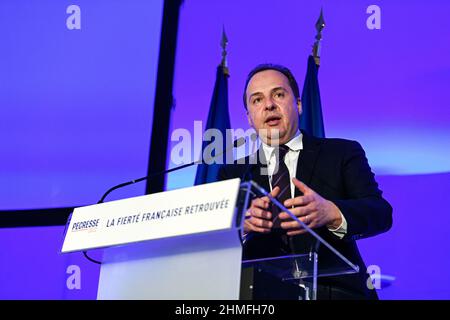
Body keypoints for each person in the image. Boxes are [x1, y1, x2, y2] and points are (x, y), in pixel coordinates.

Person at [217, 64, 393, 300]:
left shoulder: (341, 152)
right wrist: (242, 224)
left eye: (278, 94)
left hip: (335, 292)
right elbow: (214, 242)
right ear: (249, 117)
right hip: (260, 295)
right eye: (257, 100)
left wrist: (332, 213)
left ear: (298, 105)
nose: (269, 105)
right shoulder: (232, 173)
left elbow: (381, 213)